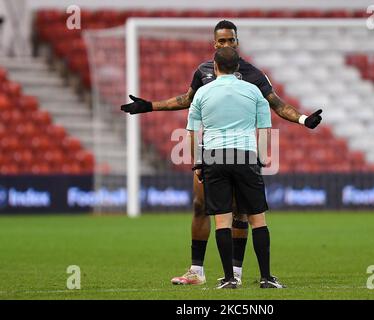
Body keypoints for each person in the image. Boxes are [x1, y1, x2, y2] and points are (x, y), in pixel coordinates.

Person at [121, 20, 322, 286]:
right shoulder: (203, 71)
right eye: (222, 41)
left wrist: (303, 119)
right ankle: (197, 271)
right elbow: (186, 99)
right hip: (215, 151)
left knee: (238, 213)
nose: (227, 44)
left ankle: (234, 274)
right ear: (214, 43)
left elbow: (277, 104)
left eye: (231, 40)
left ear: (237, 42)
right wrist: (150, 106)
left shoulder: (253, 74)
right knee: (200, 206)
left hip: (234, 153)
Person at [187, 47, 284, 289]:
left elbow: (192, 131)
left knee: (222, 221)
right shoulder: (253, 92)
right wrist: (260, 159)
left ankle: (229, 278)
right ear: (238, 68)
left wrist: (197, 162)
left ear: (215, 67)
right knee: (257, 219)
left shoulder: (202, 93)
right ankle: (266, 278)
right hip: (244, 156)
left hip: (213, 157)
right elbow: (264, 129)